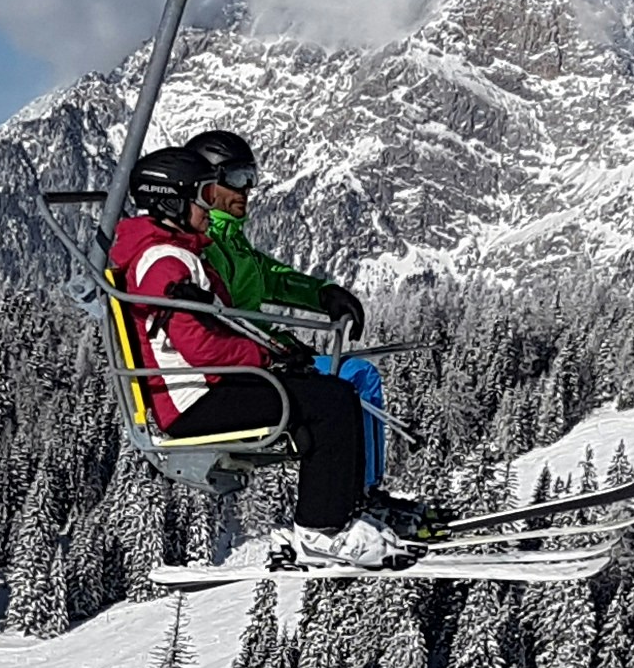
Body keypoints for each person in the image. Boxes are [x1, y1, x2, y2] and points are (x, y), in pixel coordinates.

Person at [111, 144, 398, 566]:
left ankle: (341, 512)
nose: (212, 207)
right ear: (175, 201)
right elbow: (199, 345)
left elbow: (223, 321)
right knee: (330, 399)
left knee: (330, 394)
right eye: (206, 197)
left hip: (211, 384)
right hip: (194, 397)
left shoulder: (181, 254)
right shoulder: (165, 261)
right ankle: (320, 529)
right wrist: (268, 358)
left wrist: (279, 345)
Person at [178, 129, 439, 533]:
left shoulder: (232, 242)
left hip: (261, 356)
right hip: (242, 368)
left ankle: (363, 495)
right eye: (236, 177)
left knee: (360, 376)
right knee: (348, 380)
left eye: (251, 176)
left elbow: (273, 279)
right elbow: (219, 323)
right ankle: (343, 510)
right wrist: (277, 349)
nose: (247, 189)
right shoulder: (204, 247)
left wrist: (322, 294)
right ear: (207, 183)